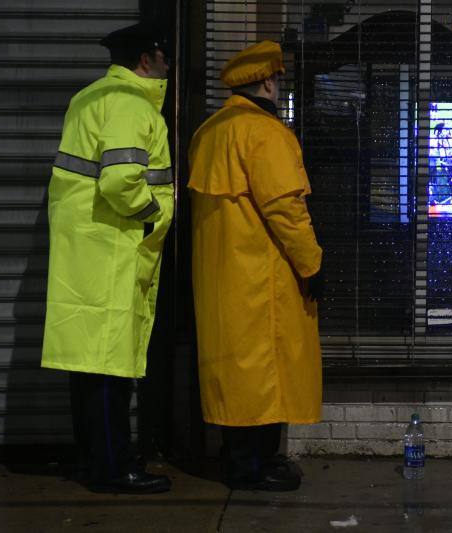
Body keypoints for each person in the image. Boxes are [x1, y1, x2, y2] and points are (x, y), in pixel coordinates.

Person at [40, 21, 174, 494]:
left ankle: (93, 461)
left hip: (89, 250)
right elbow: (121, 181)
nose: (167, 64)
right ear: (146, 59)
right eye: (163, 55)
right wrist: (151, 214)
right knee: (108, 371)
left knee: (89, 370)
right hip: (114, 250)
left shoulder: (90, 97)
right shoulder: (129, 104)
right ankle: (115, 469)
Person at [188, 40, 324, 492]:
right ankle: (254, 466)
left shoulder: (209, 131)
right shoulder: (266, 133)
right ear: (267, 81)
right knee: (266, 372)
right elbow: (286, 209)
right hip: (263, 277)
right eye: (279, 79)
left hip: (221, 279)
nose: (280, 86)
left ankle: (237, 456)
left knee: (235, 370)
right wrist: (312, 264)